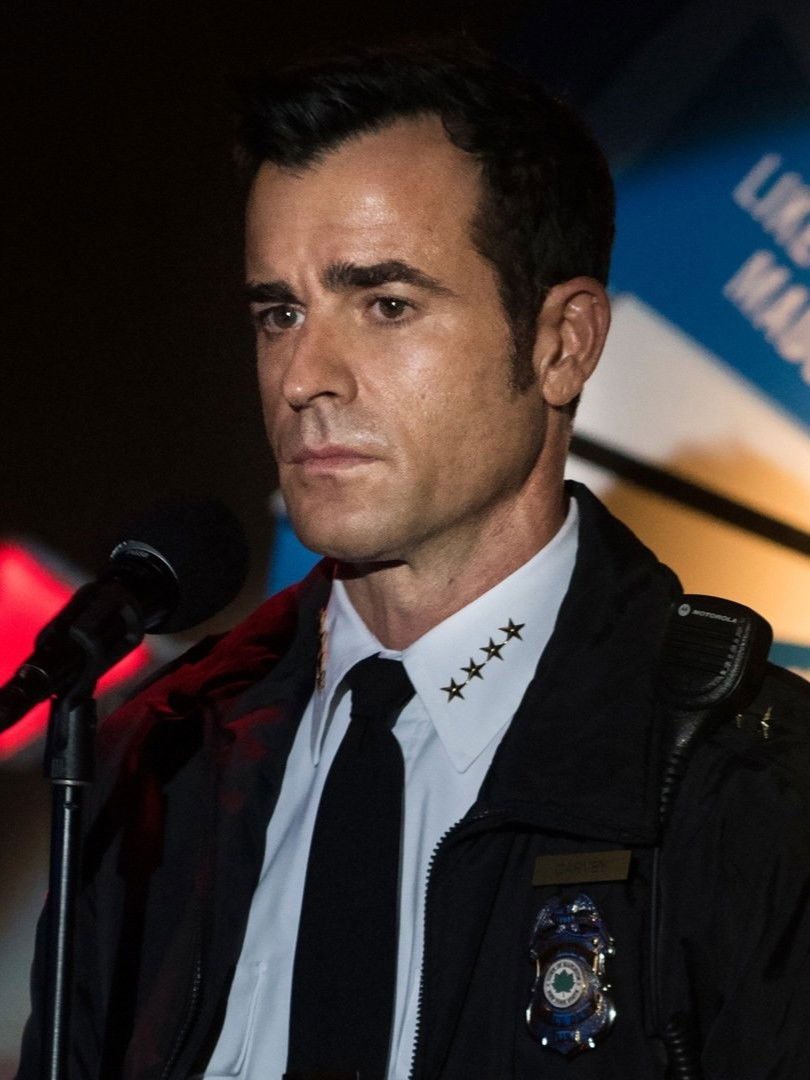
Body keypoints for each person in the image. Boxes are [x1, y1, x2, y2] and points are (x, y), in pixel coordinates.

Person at [17, 44, 810, 1080]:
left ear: (562, 343)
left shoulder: (753, 788)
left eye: (385, 304)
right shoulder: (155, 760)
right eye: (279, 312)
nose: (302, 377)